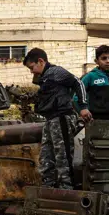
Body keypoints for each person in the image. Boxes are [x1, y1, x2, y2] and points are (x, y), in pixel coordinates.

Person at [23, 48, 90, 189]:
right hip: (50, 120)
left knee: (64, 158)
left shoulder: (56, 72)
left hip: (62, 118)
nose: (31, 71)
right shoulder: (45, 78)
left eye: (32, 67)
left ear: (40, 61)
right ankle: (49, 188)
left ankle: (69, 191)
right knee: (46, 158)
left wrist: (83, 106)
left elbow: (78, 83)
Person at [79, 45, 109, 121]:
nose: (108, 61)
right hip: (95, 119)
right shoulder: (90, 76)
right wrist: (82, 110)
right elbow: (77, 96)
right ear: (96, 61)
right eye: (104, 58)